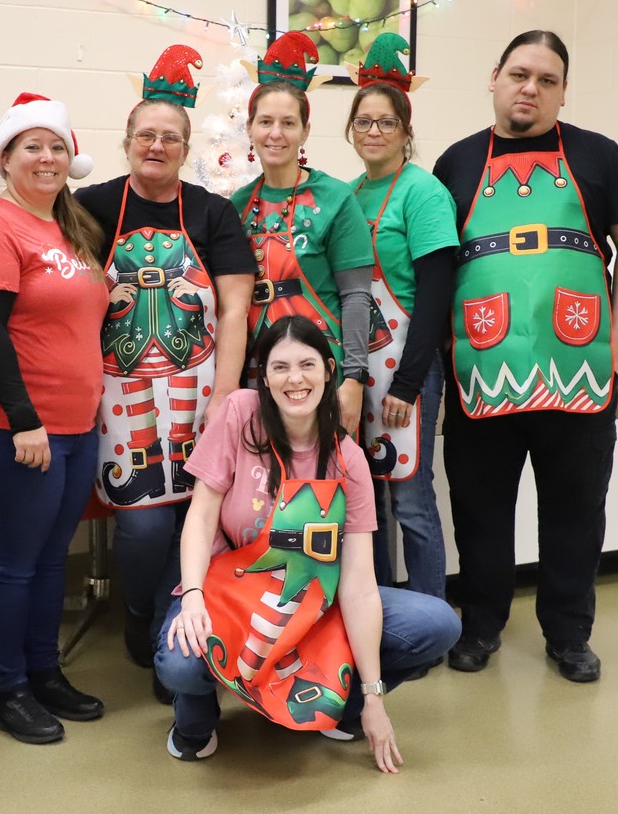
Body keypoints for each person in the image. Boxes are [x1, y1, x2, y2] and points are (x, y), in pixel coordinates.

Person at [432, 30, 618, 682]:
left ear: (561, 91)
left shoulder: (599, 155)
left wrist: (615, 346)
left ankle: (568, 633)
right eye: (521, 74)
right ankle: (480, 625)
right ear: (495, 77)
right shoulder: (455, 163)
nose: (531, 88)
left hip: (580, 373)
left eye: (547, 80)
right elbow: (435, 261)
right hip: (481, 375)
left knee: (575, 512)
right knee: (479, 508)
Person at [155, 316, 461, 770]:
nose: (294, 379)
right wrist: (194, 595)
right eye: (279, 367)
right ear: (265, 378)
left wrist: (373, 696)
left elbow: (358, 586)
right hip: (226, 591)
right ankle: (195, 725)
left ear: (328, 370)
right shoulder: (241, 414)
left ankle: (340, 708)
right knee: (180, 664)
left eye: (306, 365)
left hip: (313, 604)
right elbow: (200, 518)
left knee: (438, 623)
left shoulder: (348, 461)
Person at [74, 45, 255, 699]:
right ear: (127, 142)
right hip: (118, 392)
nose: (158, 145)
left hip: (201, 386)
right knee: (146, 523)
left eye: (171, 137)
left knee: (197, 517)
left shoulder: (213, 212)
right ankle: (146, 618)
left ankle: (175, 634)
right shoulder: (89, 207)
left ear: (186, 148)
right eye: (146, 135)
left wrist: (227, 397)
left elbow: (234, 309)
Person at [0, 93, 108, 744]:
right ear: (7, 157)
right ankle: (8, 686)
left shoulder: (68, 226)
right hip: (15, 426)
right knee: (17, 561)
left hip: (76, 425)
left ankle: (45, 670)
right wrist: (24, 420)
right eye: (32, 146)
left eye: (56, 146)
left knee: (52, 560)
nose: (46, 157)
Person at [346, 42, 458, 618]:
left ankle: (432, 614)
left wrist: (408, 385)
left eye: (386, 122)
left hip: (404, 369)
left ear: (405, 130)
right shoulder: (350, 193)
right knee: (372, 501)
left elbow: (436, 292)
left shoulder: (423, 192)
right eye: (363, 121)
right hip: (360, 369)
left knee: (410, 497)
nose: (373, 131)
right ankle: (383, 612)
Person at [230, 31, 374, 432]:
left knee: (327, 480)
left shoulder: (335, 197)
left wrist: (354, 378)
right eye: (266, 122)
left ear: (305, 131)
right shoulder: (236, 206)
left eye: (288, 123)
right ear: (252, 129)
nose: (276, 133)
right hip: (260, 369)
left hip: (321, 367)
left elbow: (356, 294)